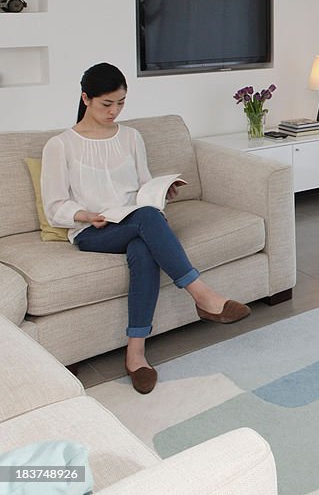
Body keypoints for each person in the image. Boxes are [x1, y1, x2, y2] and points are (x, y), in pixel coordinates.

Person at [41, 63, 251, 393]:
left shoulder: (131, 137)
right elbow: (53, 206)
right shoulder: (61, 145)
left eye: (121, 102)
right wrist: (85, 215)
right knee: (148, 221)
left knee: (143, 247)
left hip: (135, 222)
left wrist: (159, 190)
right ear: (85, 98)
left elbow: (141, 186)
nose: (114, 111)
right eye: (106, 104)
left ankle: (136, 354)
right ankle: (202, 295)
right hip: (94, 230)